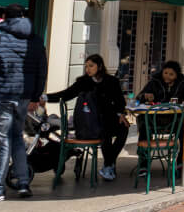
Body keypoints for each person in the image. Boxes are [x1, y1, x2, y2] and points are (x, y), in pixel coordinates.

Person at [0, 4, 47, 202]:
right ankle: (22, 183)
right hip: (23, 97)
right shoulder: (36, 40)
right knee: (16, 138)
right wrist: (36, 96)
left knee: (3, 141)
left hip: (1, 94)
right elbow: (41, 71)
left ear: (4, 17)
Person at [44, 53, 128, 182]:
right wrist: (46, 97)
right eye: (86, 66)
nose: (87, 69)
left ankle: (109, 163)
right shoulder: (83, 82)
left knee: (124, 128)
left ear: (99, 66)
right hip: (89, 122)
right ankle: (109, 165)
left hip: (109, 118)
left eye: (91, 66)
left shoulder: (111, 81)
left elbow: (120, 101)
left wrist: (120, 113)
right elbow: (66, 94)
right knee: (104, 132)